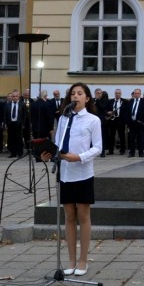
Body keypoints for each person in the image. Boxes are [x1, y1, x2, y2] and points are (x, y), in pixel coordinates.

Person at [41, 82, 102, 276]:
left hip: (82, 173)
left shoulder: (93, 120)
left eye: (80, 93)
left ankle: (83, 260)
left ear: (87, 98)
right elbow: (58, 144)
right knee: (68, 216)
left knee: (83, 216)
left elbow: (98, 147)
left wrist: (80, 157)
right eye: (73, 94)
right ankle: (71, 260)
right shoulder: (63, 119)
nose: (75, 96)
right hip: (65, 173)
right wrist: (49, 153)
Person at [127, 88, 144, 157]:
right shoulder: (130, 101)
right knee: (131, 138)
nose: (136, 95)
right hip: (132, 123)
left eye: (138, 93)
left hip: (140, 123)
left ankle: (141, 152)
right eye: (135, 93)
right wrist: (128, 122)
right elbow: (127, 112)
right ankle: (132, 152)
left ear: (140, 94)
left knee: (141, 139)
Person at [107, 88, 127, 155]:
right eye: (116, 93)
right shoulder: (110, 101)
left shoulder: (124, 101)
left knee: (122, 136)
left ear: (121, 94)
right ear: (114, 94)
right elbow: (106, 109)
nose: (117, 94)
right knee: (111, 136)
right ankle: (110, 150)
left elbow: (126, 112)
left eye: (118, 93)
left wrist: (124, 120)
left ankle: (122, 150)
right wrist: (108, 112)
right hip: (112, 120)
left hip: (120, 121)